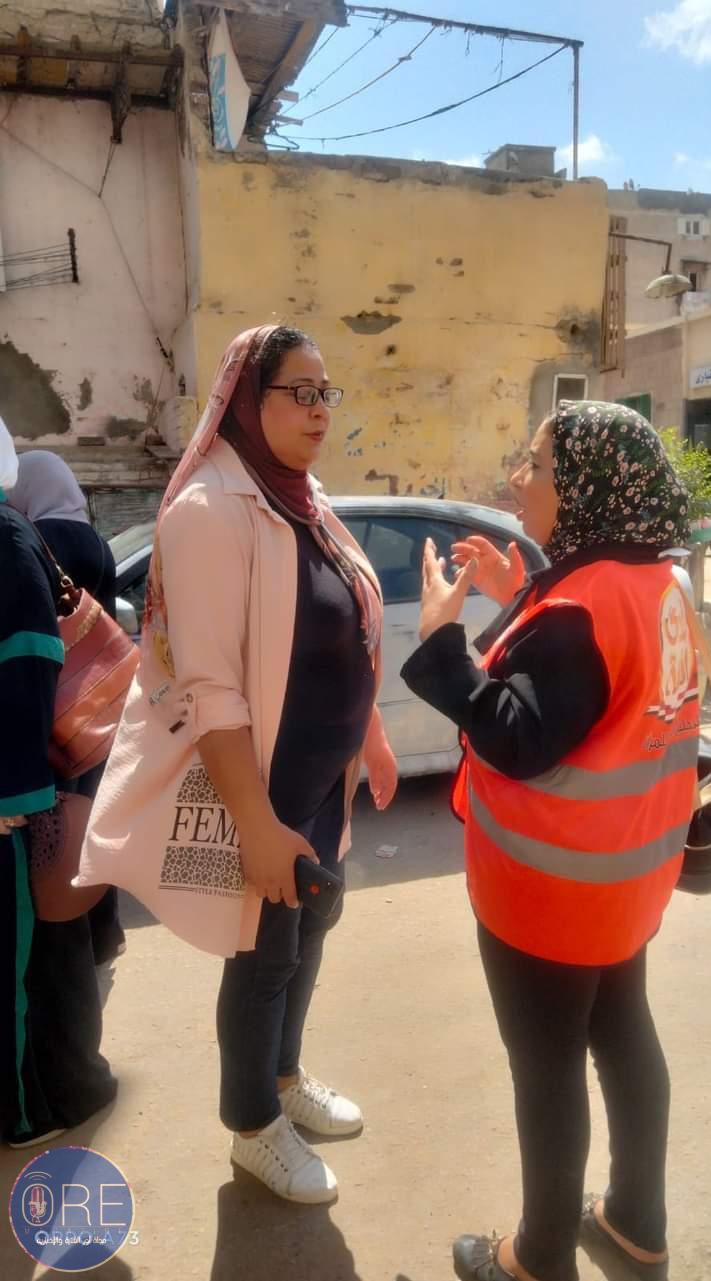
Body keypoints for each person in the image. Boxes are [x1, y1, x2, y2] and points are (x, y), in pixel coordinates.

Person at [77, 325, 398, 1203]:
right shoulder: (211, 508)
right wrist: (255, 823)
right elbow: (210, 687)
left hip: (321, 783)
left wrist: (368, 731)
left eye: (327, 392)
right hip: (263, 787)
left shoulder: (304, 498)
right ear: (248, 400)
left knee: (308, 932)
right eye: (301, 392)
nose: (320, 410)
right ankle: (253, 1124)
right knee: (262, 957)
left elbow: (348, 628)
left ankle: (285, 1079)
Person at [401, 401, 698, 1281]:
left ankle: (536, 1257)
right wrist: (519, 591)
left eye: (536, 464)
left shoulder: (580, 607)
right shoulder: (658, 580)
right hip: (628, 876)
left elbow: (520, 735)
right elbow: (594, 684)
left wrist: (441, 642)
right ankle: (637, 1219)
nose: (518, 480)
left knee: (548, 1066)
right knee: (625, 1036)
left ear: (587, 487)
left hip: (552, 892)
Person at [0, 419, 117, 1148]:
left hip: (25, 793)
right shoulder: (36, 535)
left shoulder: (14, 540)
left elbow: (29, 663)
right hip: (47, 772)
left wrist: (16, 798)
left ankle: (38, 1106)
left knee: (39, 955)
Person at [8, 450, 126, 967]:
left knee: (59, 839)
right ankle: (106, 932)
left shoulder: (39, 537)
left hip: (57, 706)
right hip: (95, 705)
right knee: (94, 824)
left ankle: (69, 942)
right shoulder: (97, 542)